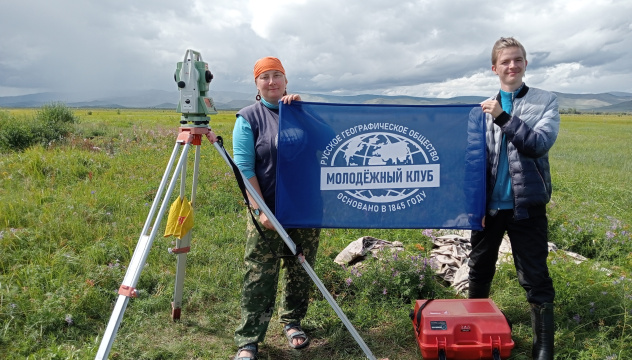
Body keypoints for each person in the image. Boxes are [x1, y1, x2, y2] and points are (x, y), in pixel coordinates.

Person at [467, 37, 560, 360]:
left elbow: (537, 144)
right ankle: (474, 330)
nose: (512, 65)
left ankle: (543, 346)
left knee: (535, 275)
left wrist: (503, 117)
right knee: (479, 269)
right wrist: (473, 208)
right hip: (488, 209)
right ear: (495, 68)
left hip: (527, 207)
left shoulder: (545, 101)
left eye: (518, 59)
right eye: (505, 61)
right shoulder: (482, 110)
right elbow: (474, 164)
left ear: (525, 64)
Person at [231, 56, 321, 360]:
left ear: (286, 80)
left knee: (300, 267)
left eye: (277, 76)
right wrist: (261, 211)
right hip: (266, 210)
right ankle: (249, 340)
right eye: (265, 77)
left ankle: (292, 322)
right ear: (257, 84)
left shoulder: (301, 113)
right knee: (259, 273)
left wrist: (304, 110)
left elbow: (330, 142)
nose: (272, 82)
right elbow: (244, 167)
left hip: (305, 207)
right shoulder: (249, 118)